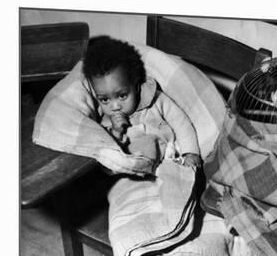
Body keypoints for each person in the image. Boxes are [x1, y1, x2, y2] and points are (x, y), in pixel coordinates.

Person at [82, 35, 201, 168]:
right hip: (131, 168)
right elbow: (107, 149)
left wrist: (190, 152)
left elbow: (181, 123)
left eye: (122, 96)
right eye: (105, 99)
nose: (115, 106)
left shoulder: (156, 100)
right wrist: (116, 132)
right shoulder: (106, 120)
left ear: (137, 86)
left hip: (165, 159)